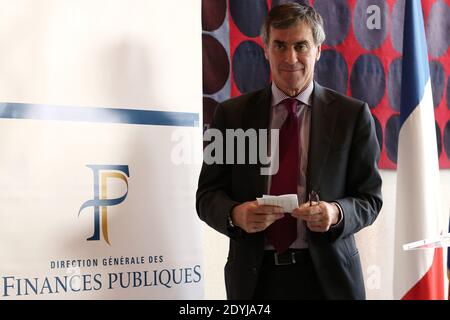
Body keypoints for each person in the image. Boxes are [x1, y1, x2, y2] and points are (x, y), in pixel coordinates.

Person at [196, 3, 382, 300]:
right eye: (279, 45)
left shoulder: (352, 115)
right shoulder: (232, 116)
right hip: (255, 282)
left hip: (330, 282)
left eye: (301, 46)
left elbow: (370, 199)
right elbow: (207, 197)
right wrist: (235, 214)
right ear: (265, 49)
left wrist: (336, 213)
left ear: (318, 49)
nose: (290, 57)